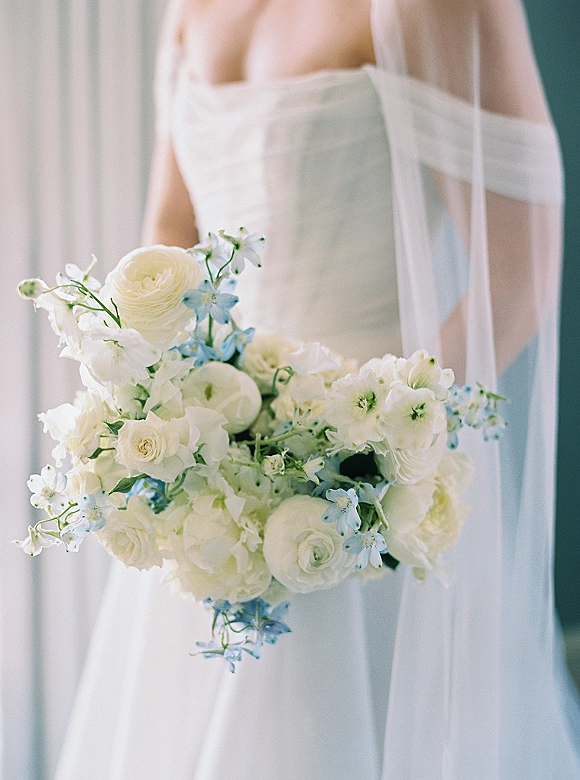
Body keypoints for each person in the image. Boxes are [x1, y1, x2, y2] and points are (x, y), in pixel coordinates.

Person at [55, 1, 580, 777]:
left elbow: (521, 270)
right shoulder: (189, 11)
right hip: (213, 457)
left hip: (365, 477)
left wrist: (368, 446)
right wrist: (160, 403)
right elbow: (172, 224)